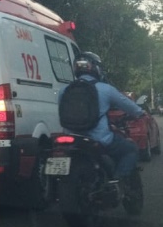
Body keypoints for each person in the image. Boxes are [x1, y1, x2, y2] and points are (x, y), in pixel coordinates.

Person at [58, 52, 145, 187]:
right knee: (130, 150)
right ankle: (118, 182)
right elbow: (129, 106)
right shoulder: (105, 89)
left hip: (70, 138)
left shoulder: (64, 90)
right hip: (99, 139)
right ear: (96, 69)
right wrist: (140, 112)